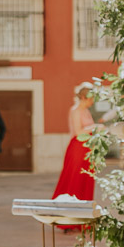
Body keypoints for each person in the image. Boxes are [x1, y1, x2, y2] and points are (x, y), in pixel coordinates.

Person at [52, 82, 99, 218]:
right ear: (84, 97)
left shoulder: (85, 110)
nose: (93, 100)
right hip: (78, 149)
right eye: (91, 97)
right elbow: (78, 132)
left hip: (87, 148)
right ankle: (68, 217)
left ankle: (82, 216)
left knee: (86, 180)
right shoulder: (75, 110)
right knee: (74, 181)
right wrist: (96, 127)